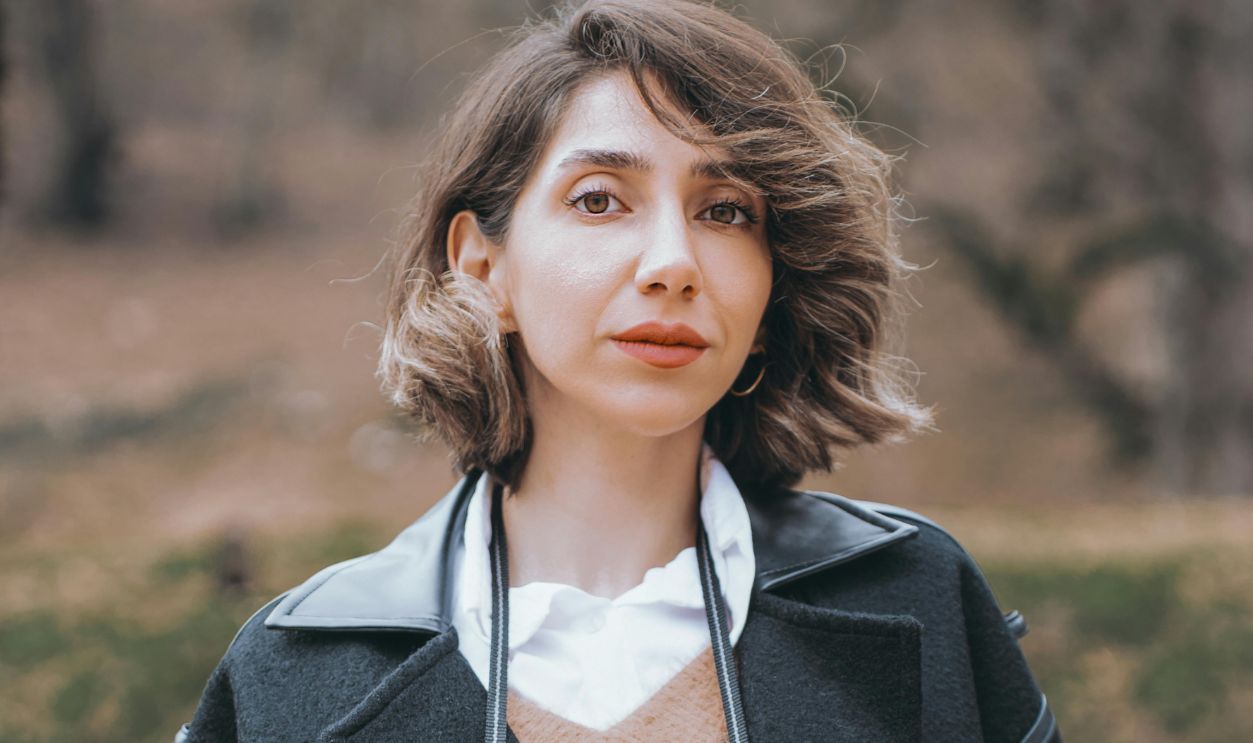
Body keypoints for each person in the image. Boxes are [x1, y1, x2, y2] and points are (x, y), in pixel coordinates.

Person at [176, 1, 1059, 741]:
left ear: (769, 293)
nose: (672, 263)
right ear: (482, 267)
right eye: (599, 199)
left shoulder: (916, 601)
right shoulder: (301, 667)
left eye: (724, 210)